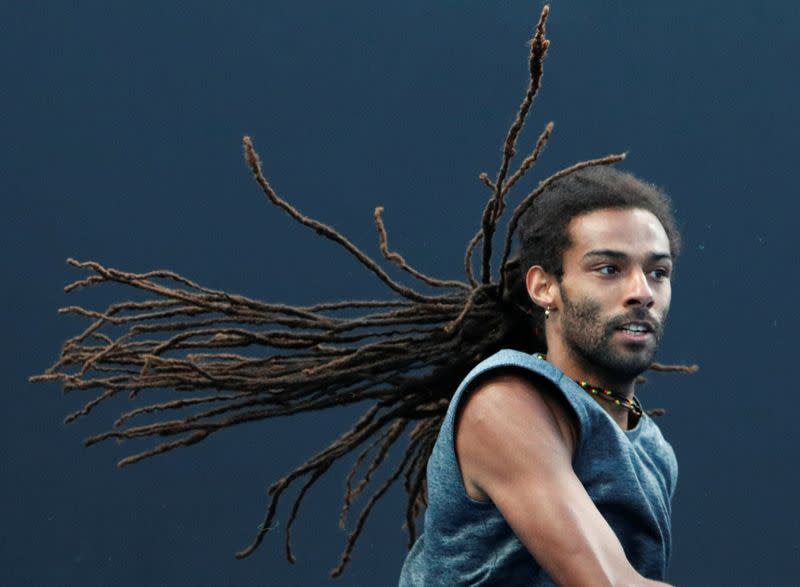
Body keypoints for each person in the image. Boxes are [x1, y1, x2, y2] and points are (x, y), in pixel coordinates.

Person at [399, 166, 682, 586]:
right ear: (544, 287)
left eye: (658, 272)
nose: (642, 291)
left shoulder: (655, 453)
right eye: (609, 268)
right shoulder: (503, 403)